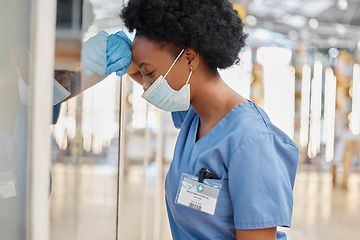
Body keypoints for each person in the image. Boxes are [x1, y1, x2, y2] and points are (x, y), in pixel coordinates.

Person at [87, 0, 299, 239]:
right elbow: (137, 68)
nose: (145, 87)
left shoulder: (252, 141)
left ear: (189, 58)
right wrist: (123, 54)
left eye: (150, 73)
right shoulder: (195, 116)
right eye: (143, 74)